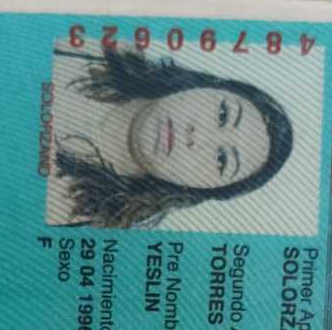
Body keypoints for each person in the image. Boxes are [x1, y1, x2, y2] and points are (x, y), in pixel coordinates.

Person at [45, 45, 294, 229]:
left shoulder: (85, 221)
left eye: (221, 159)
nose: (196, 136)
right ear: (205, 85)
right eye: (222, 114)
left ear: (199, 191)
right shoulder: (96, 44)